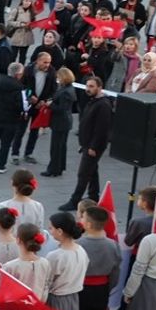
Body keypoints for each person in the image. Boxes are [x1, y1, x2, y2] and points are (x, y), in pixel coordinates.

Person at [59, 76, 113, 211]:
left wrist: (93, 146)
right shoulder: (93, 101)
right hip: (87, 144)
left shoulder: (103, 105)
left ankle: (74, 200)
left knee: (83, 173)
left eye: (92, 87)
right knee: (92, 170)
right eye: (87, 86)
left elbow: (102, 128)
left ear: (99, 88)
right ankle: (94, 196)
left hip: (93, 146)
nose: (88, 89)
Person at [40, 66, 77, 177]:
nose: (57, 78)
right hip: (64, 122)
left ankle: (53, 169)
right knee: (61, 146)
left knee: (56, 147)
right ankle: (59, 167)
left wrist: (51, 104)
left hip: (60, 122)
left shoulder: (65, 91)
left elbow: (62, 108)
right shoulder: (68, 88)